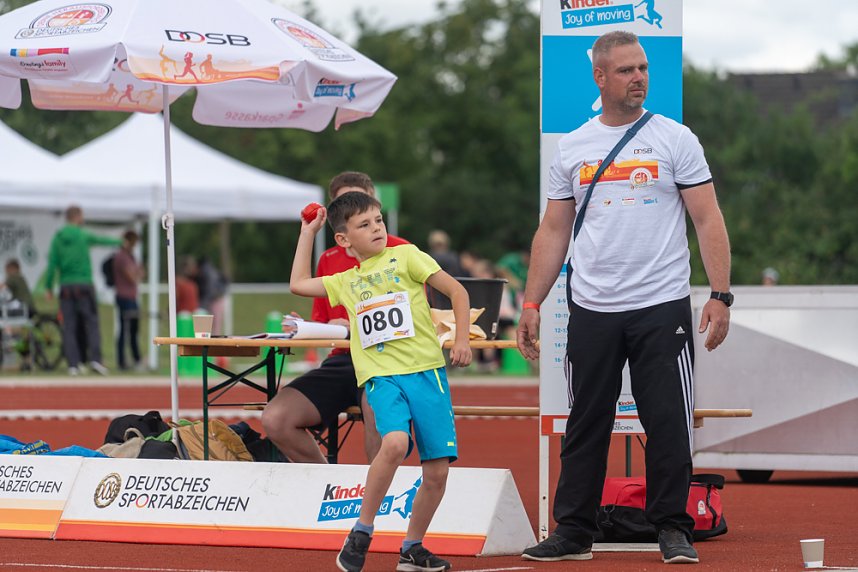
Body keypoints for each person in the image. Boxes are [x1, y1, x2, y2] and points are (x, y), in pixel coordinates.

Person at [517, 31, 731, 565]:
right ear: (600, 77)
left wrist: (721, 294)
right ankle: (574, 530)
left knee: (667, 421)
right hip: (590, 306)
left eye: (643, 68)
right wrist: (530, 303)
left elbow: (707, 219)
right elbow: (552, 230)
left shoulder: (674, 137)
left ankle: (672, 527)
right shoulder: (573, 146)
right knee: (586, 421)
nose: (639, 77)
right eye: (627, 70)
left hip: (661, 304)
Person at [289, 191, 472, 572]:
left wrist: (463, 340)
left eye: (378, 220)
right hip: (382, 377)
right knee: (394, 442)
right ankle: (361, 531)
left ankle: (412, 548)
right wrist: (308, 231)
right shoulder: (344, 281)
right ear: (344, 240)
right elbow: (298, 283)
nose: (376, 228)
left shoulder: (406, 256)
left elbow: (457, 291)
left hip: (428, 374)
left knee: (437, 473)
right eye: (364, 225)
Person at [261, 172, 408, 463]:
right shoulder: (329, 259)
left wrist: (355, 327)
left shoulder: (403, 253)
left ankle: (378, 499)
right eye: (344, 204)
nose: (356, 212)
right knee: (275, 418)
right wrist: (306, 328)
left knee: (378, 416)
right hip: (342, 360)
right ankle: (330, 486)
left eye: (370, 214)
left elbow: (414, 317)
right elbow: (321, 318)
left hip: (385, 359)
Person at [44, 205, 122, 376]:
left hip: (65, 286)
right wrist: (121, 241)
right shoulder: (82, 235)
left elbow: (51, 266)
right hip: (84, 285)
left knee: (69, 326)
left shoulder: (58, 238)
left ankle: (73, 364)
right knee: (91, 324)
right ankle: (95, 360)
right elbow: (102, 240)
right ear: (77, 216)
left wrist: (48, 287)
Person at [113, 230, 145, 371]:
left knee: (133, 330)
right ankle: (122, 361)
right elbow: (132, 276)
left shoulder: (131, 257)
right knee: (125, 329)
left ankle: (135, 359)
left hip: (131, 296)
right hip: (124, 296)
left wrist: (137, 273)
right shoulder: (121, 257)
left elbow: (140, 273)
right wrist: (136, 273)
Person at [195, 257, 228, 335]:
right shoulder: (213, 271)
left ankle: (213, 343)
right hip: (216, 299)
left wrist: (203, 304)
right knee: (215, 325)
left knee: (213, 325)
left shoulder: (207, 273)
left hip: (214, 300)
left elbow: (210, 290)